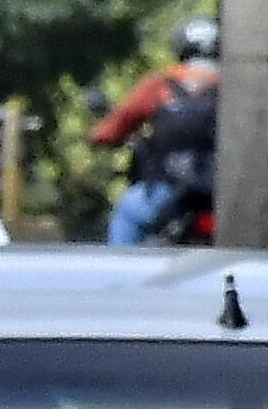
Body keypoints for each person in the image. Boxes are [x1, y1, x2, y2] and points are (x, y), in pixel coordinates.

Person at [94, 16, 222, 245]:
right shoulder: (238, 86)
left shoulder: (160, 86)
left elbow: (114, 128)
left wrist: (99, 135)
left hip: (172, 190)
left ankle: (121, 275)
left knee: (128, 215)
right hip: (224, 192)